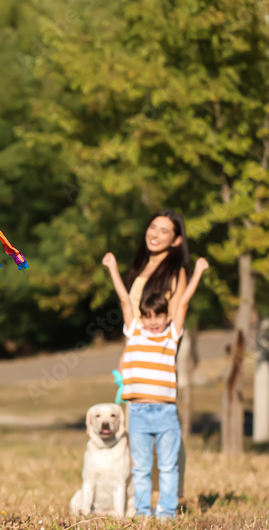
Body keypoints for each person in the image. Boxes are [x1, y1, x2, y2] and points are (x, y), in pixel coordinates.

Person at [102, 251, 208, 519]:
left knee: (169, 465)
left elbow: (182, 303)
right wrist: (113, 267)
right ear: (142, 317)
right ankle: (141, 511)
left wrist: (197, 272)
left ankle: (167, 511)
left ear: (165, 316)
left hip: (165, 413)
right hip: (138, 412)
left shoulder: (172, 335)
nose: (152, 322)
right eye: (147, 316)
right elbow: (125, 300)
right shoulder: (135, 331)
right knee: (141, 467)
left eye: (158, 316)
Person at [115, 210, 191, 502]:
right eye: (152, 227)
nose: (155, 234)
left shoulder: (176, 273)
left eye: (164, 231)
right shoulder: (142, 267)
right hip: (136, 357)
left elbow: (174, 317)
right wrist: (126, 354)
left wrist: (163, 359)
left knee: (165, 430)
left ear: (176, 240)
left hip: (158, 360)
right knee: (140, 432)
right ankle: (143, 497)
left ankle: (170, 498)